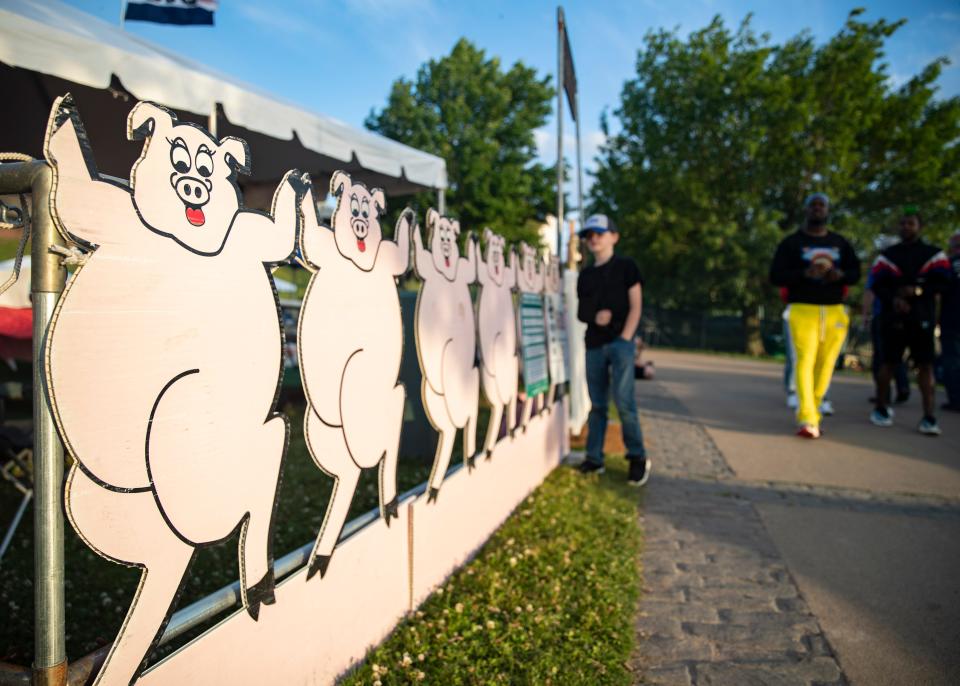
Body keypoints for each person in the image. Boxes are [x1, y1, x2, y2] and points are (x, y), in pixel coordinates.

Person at [770, 193, 860, 438]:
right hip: (802, 309)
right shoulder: (791, 243)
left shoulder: (840, 243)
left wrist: (838, 275)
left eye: (822, 205)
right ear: (806, 210)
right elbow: (775, 276)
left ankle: (816, 407)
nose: (817, 209)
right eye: (813, 205)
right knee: (804, 361)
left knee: (827, 364)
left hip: (834, 311)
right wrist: (804, 274)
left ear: (828, 210)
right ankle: (807, 417)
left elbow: (855, 273)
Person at [576, 213, 650, 485]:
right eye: (589, 235)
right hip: (594, 345)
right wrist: (595, 317)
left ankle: (637, 457)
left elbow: (636, 305)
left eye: (599, 233)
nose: (594, 239)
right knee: (597, 405)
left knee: (624, 402)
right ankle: (594, 458)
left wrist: (625, 338)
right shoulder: (585, 276)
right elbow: (582, 312)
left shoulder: (627, 267)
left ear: (614, 237)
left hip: (620, 343)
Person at [869, 209, 951, 434]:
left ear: (919, 226)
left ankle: (929, 416)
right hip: (892, 318)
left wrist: (918, 292)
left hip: (922, 318)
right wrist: (894, 298)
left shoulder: (934, 255)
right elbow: (876, 284)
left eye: (911, 223)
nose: (906, 227)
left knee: (926, 365)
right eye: (903, 223)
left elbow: (944, 284)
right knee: (888, 362)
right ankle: (881, 407)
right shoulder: (887, 255)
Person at [863, 234, 910, 405]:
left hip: (883, 316)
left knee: (881, 357)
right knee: (896, 355)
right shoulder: (905, 265)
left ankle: (884, 394)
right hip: (905, 316)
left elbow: (870, 291)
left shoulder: (880, 265)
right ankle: (903, 386)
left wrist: (866, 314)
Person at [781, 286, 835, 414]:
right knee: (798, 357)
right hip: (798, 313)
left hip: (827, 315)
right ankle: (793, 392)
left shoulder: (833, 267)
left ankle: (820, 396)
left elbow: (844, 289)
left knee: (823, 360)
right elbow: (784, 291)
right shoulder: (798, 267)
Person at [940, 231, 960, 412]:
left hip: (951, 319)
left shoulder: (948, 264)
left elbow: (939, 288)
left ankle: (955, 399)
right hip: (951, 318)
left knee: (952, 359)